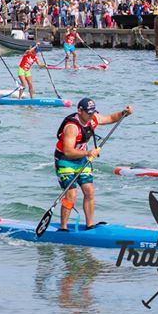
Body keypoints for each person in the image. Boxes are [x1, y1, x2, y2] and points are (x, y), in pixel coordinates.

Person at [54, 98, 133, 231]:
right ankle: (63, 228)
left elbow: (110, 118)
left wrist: (124, 113)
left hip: (82, 158)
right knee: (71, 194)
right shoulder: (72, 127)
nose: (91, 116)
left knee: (89, 191)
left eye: (92, 112)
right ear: (79, 111)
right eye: (88, 113)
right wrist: (89, 152)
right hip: (65, 160)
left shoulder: (93, 119)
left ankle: (90, 225)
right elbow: (68, 152)